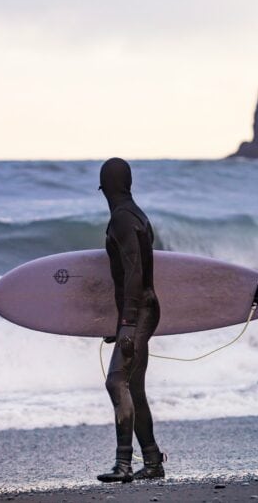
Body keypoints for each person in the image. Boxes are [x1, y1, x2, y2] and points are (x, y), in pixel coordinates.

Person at [95, 157, 166, 483]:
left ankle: (123, 465)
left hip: (140, 312)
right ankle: (152, 462)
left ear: (105, 186)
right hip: (144, 311)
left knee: (116, 382)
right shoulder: (134, 213)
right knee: (133, 387)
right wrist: (121, 324)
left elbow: (135, 273)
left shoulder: (123, 218)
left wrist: (127, 324)